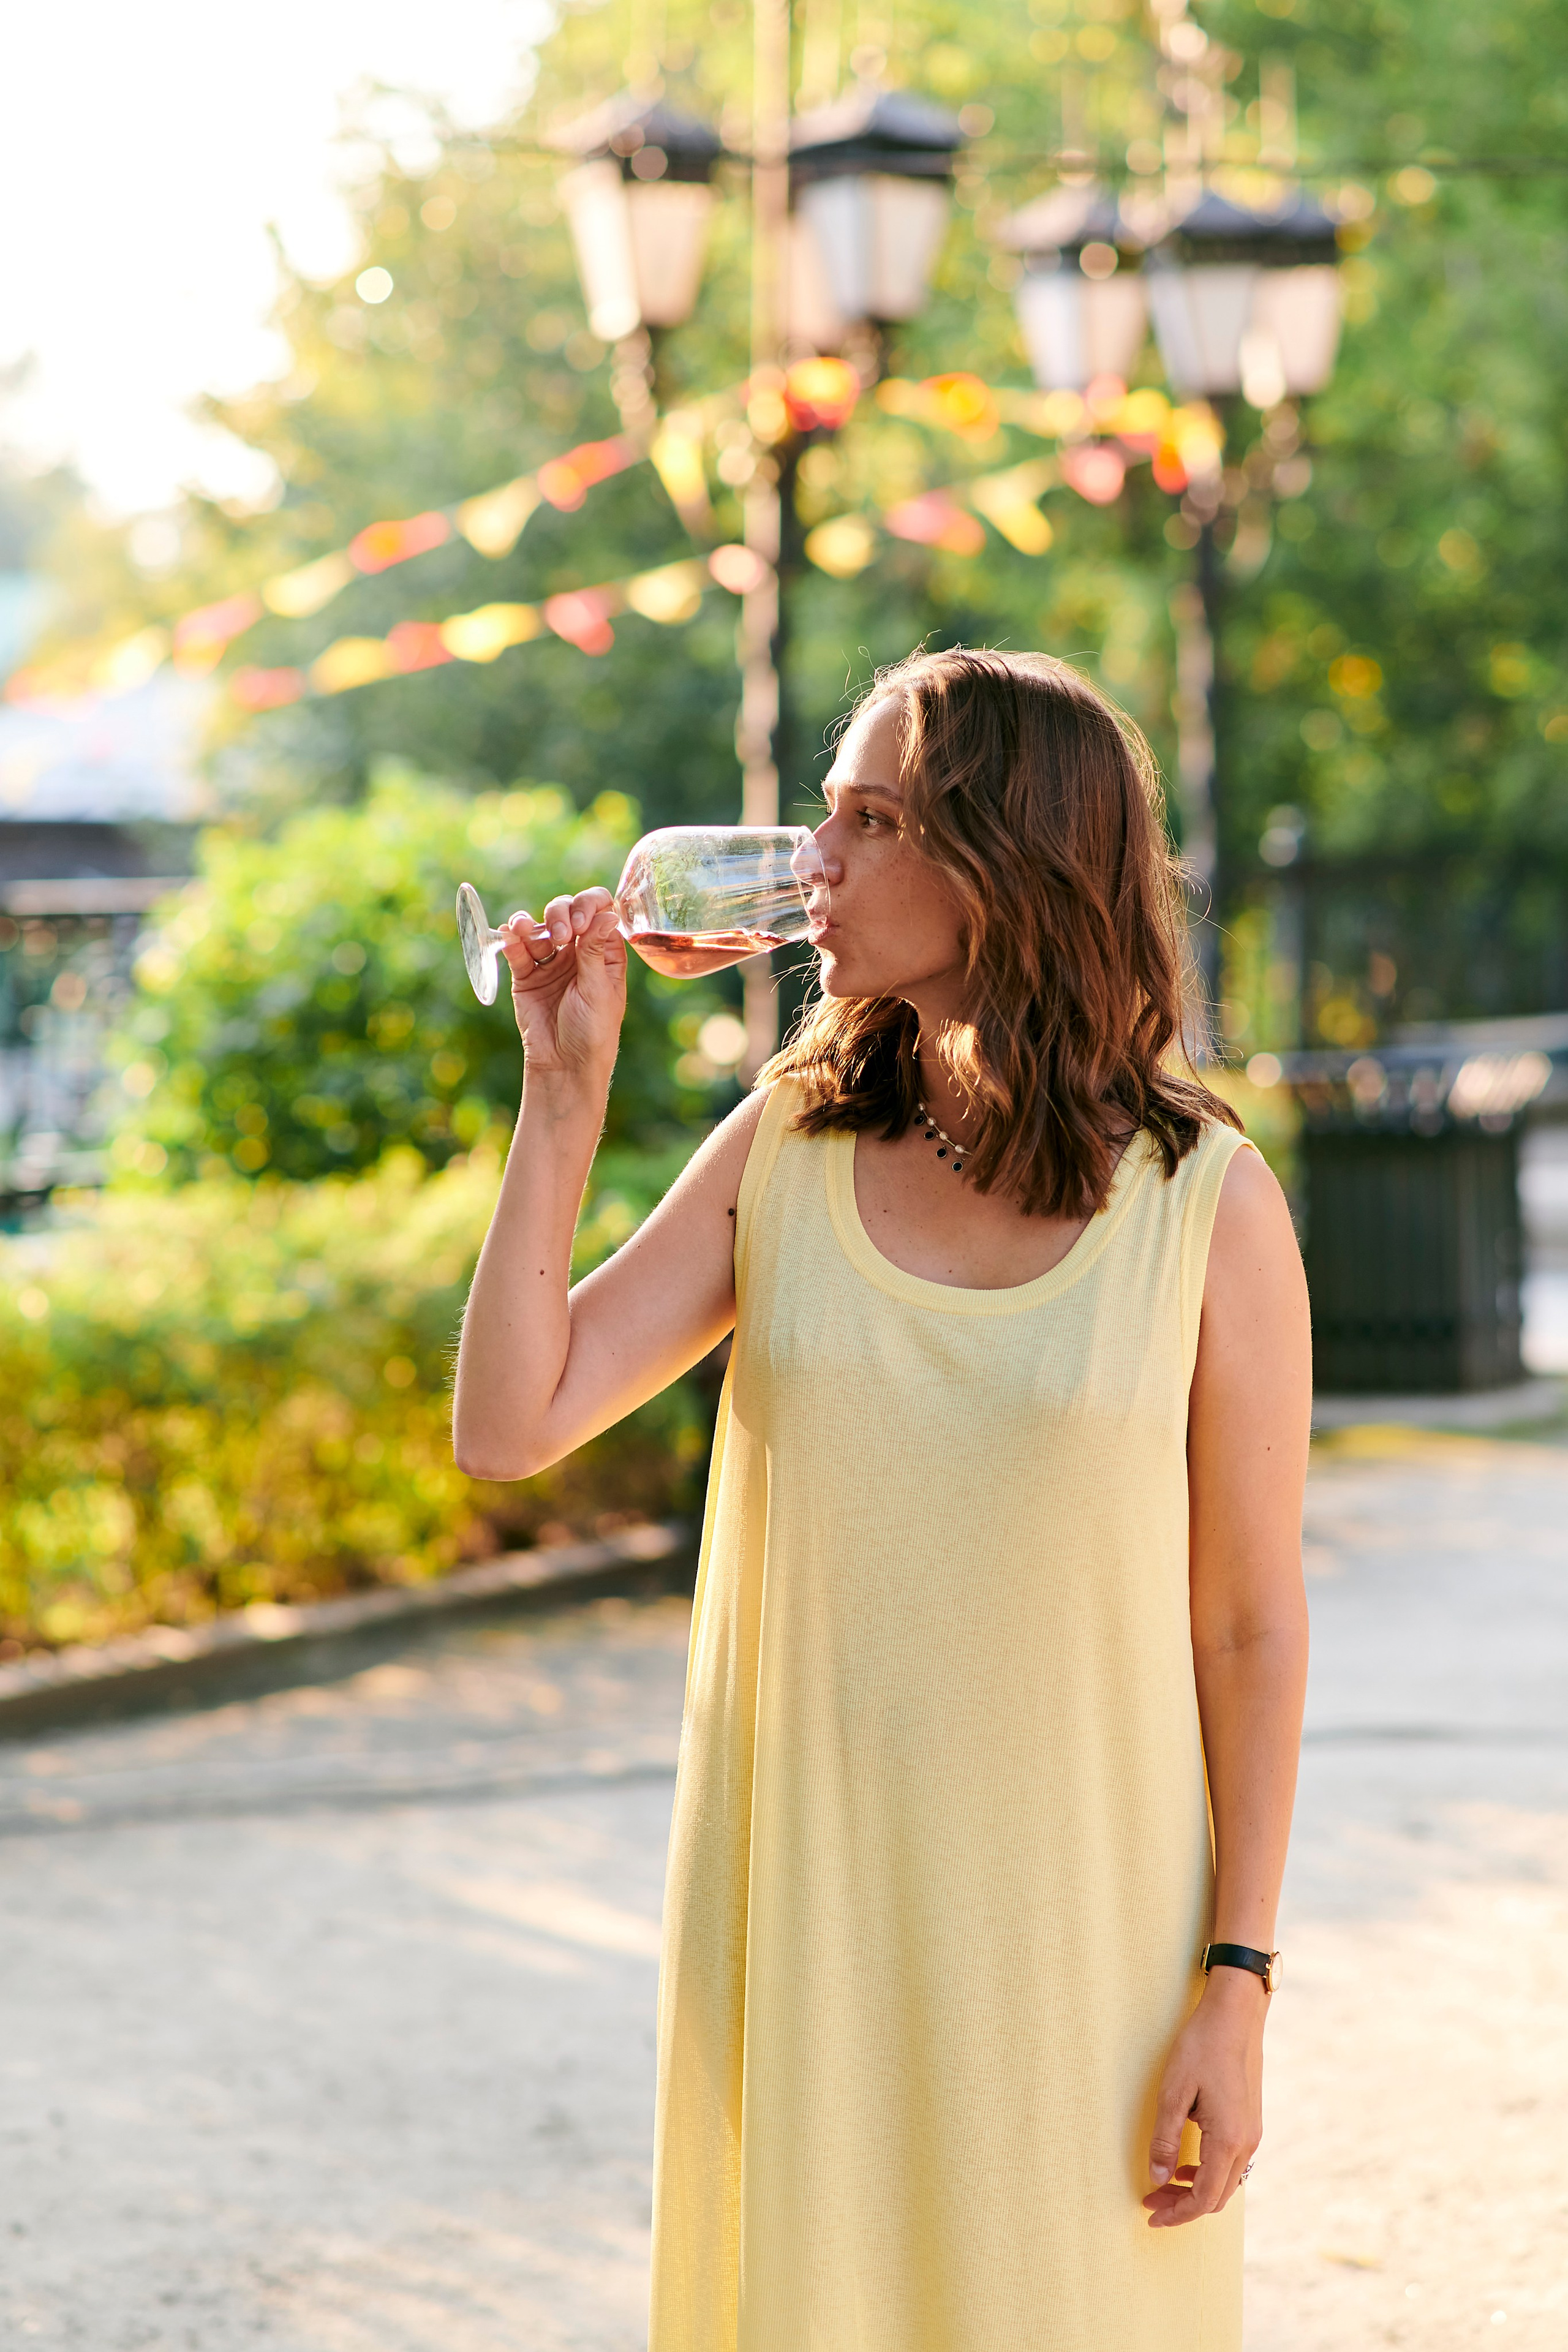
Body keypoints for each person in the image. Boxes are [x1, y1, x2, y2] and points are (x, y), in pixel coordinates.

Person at [453, 647, 1311, 2352]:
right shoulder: (788, 1149)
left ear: (1009, 862)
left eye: (871, 819)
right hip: (811, 1922)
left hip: (1089, 1936)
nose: (813, 863)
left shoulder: (1207, 1203)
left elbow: (1250, 1623)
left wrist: (1239, 1986)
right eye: (823, 815)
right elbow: (512, 1424)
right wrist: (562, 1099)